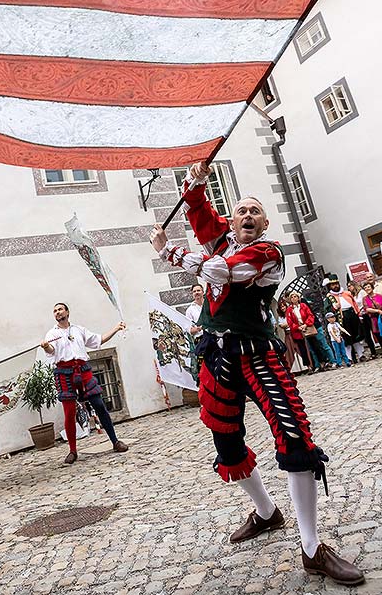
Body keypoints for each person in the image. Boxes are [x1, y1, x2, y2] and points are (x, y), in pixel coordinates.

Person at [150, 161, 364, 587]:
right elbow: (202, 215)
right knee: (226, 445)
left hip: (258, 356)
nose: (247, 215)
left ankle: (311, 547)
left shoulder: (267, 254)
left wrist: (167, 250)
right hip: (218, 357)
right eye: (241, 211)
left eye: (255, 211)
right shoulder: (222, 239)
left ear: (265, 223)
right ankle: (267, 512)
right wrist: (195, 184)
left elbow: (222, 272)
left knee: (295, 438)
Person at [41, 303, 128, 465]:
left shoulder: (79, 330)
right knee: (69, 412)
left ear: (67, 312)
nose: (57, 312)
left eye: (60, 309)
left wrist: (116, 329)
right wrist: (47, 347)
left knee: (99, 405)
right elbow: (51, 350)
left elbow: (98, 340)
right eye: (54, 311)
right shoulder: (52, 333)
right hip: (64, 372)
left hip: (83, 369)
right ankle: (73, 451)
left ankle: (115, 441)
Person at [326, 276, 366, 363]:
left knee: (356, 335)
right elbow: (327, 310)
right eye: (333, 285)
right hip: (342, 317)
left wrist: (358, 314)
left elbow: (354, 304)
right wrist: (333, 308)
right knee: (346, 338)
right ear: (330, 286)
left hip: (352, 315)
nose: (335, 286)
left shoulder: (347, 293)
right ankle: (349, 358)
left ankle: (361, 355)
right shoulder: (329, 297)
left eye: (336, 284)